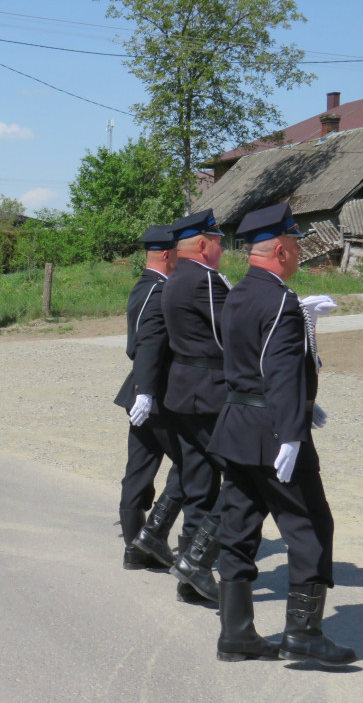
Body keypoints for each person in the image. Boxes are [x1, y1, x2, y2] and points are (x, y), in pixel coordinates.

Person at [208, 202, 355, 665]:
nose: (296, 254)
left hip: (237, 426)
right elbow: (280, 370)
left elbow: (246, 362)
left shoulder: (237, 294)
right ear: (283, 252)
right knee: (310, 524)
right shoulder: (280, 301)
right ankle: (304, 633)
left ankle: (236, 633)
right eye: (294, 245)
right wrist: (293, 429)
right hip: (273, 430)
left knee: (239, 527)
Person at [160, 209, 229, 603]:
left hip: (185, 390)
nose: (222, 249)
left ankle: (190, 569)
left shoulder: (176, 277)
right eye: (218, 241)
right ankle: (197, 563)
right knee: (240, 477)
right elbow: (231, 334)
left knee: (198, 481)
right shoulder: (204, 279)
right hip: (209, 391)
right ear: (203, 244)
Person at [113, 225, 184, 570]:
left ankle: (135, 548)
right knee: (191, 464)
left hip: (144, 391)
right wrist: (146, 390)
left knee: (139, 468)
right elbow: (148, 344)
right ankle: (152, 534)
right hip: (157, 393)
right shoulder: (158, 290)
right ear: (168, 255)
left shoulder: (145, 286)